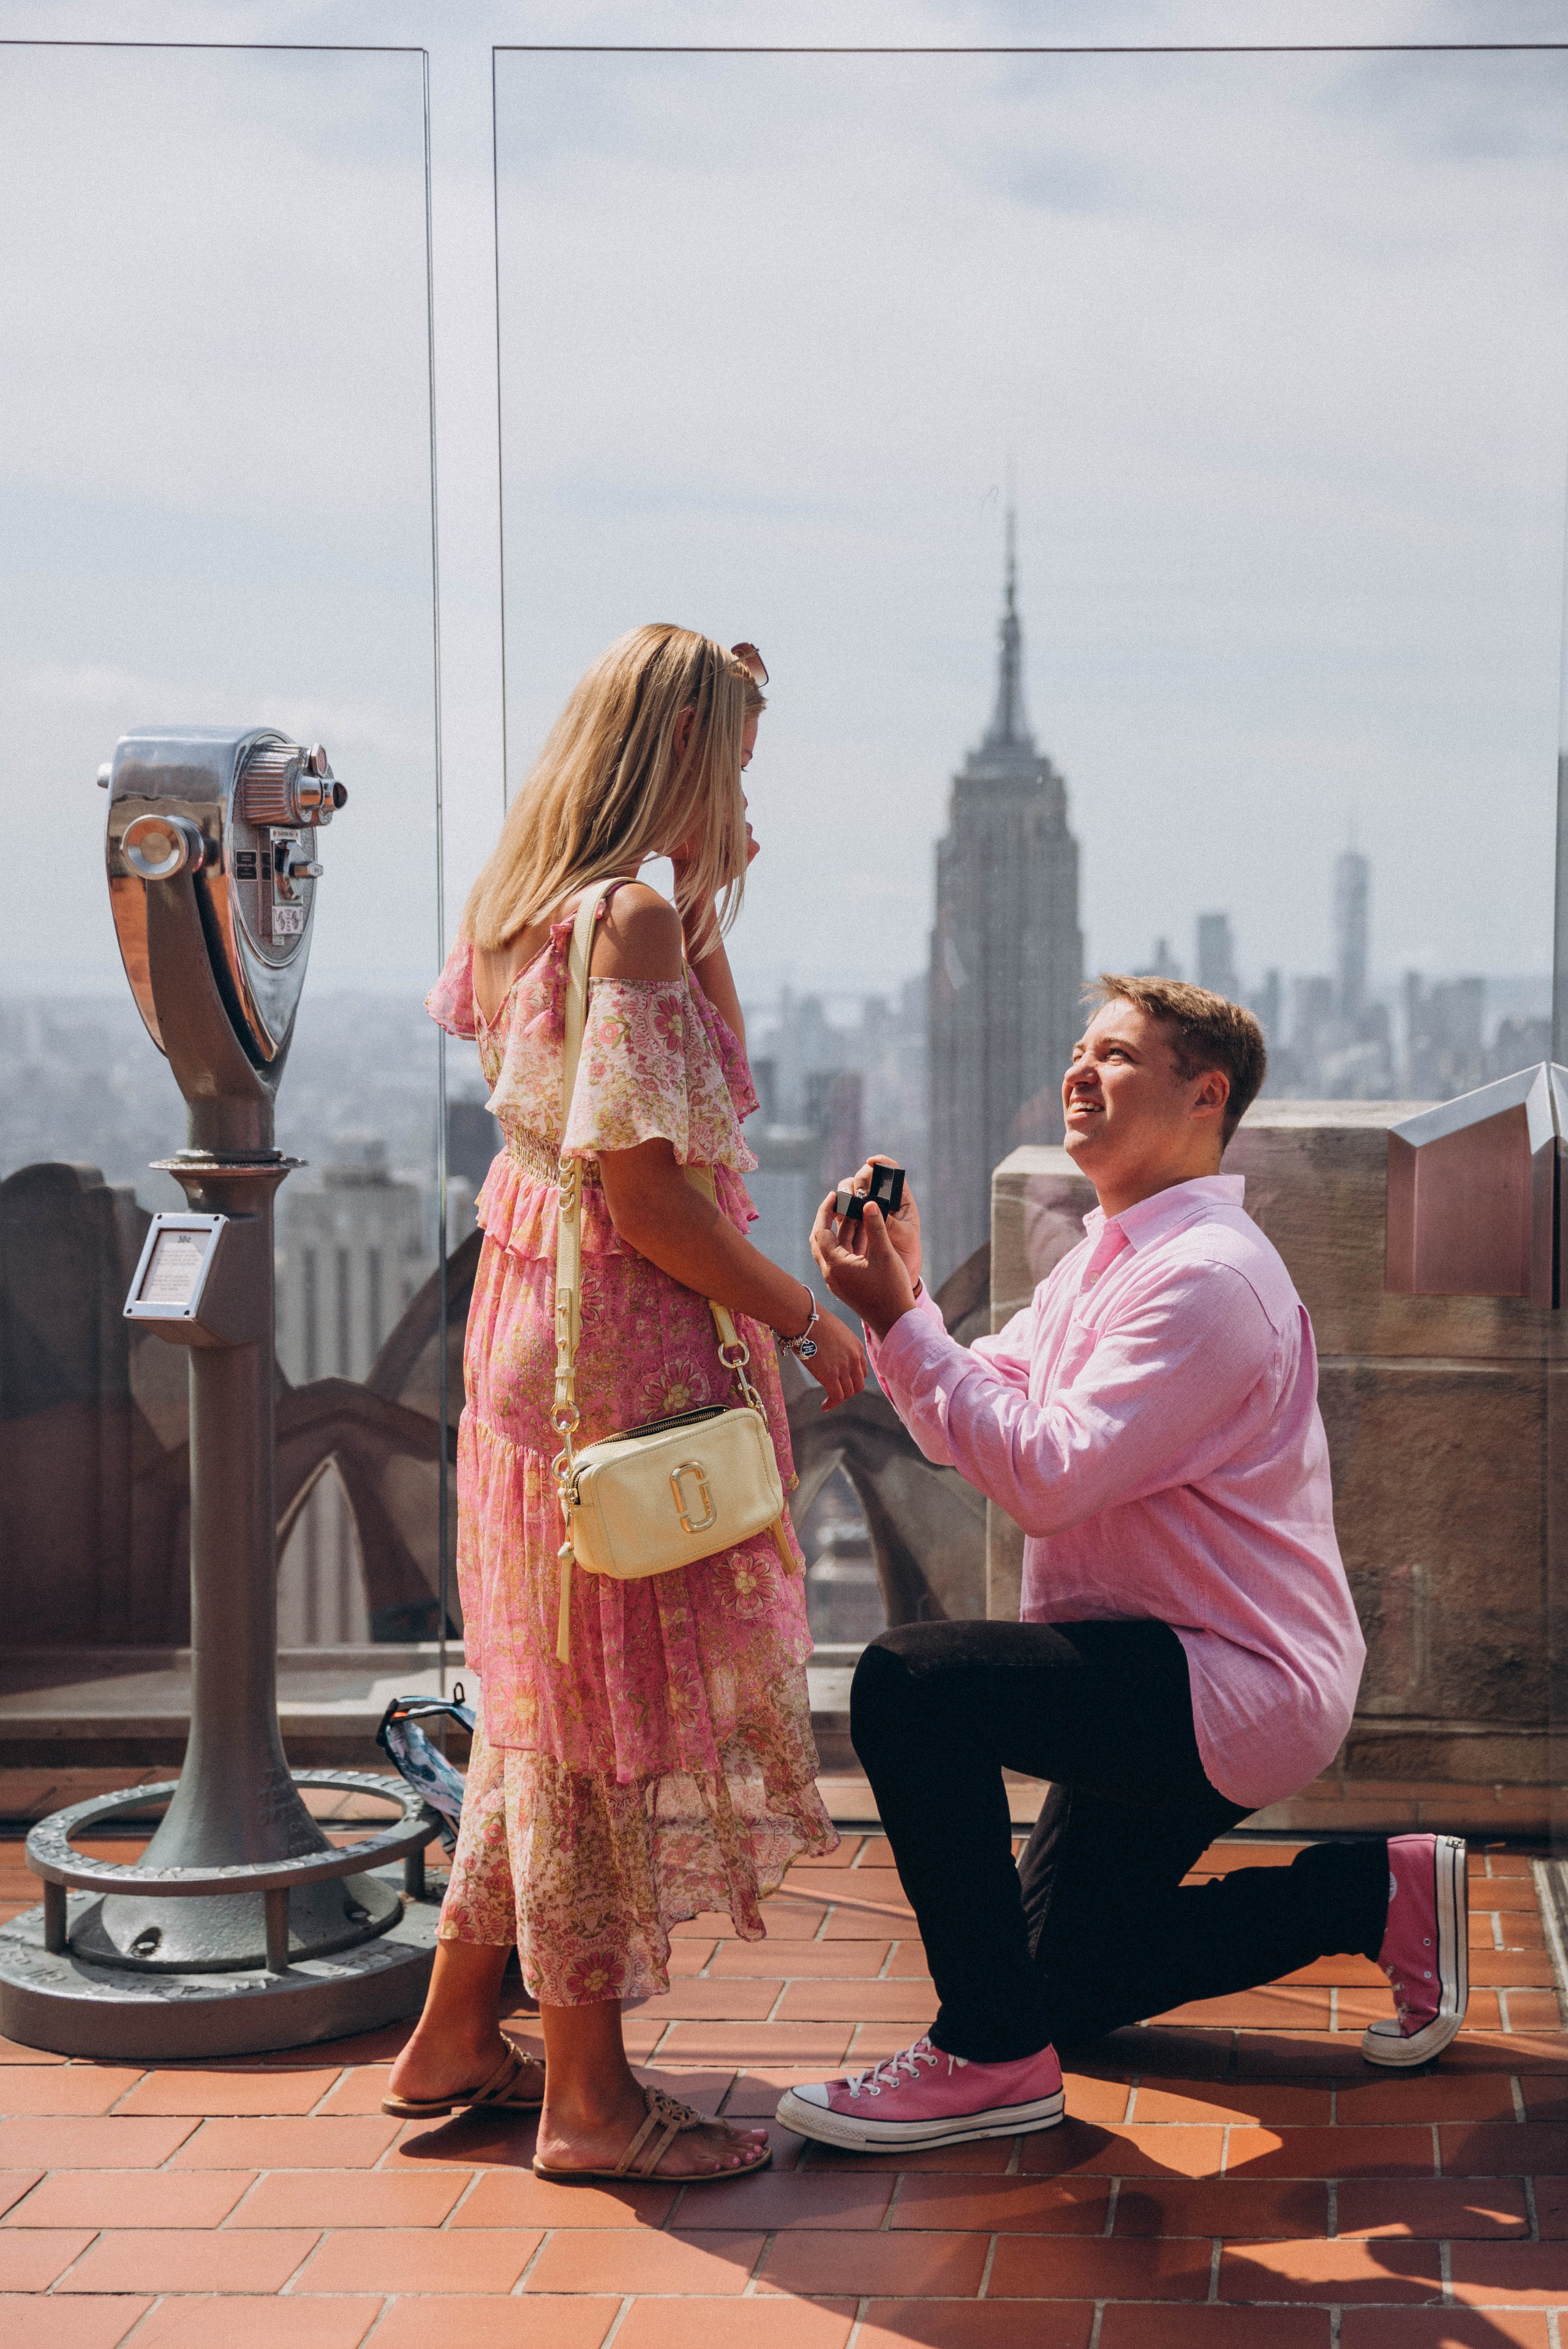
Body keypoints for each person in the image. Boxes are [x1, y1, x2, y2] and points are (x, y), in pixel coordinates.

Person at [777, 976, 1468, 2156]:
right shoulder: (1112, 1255)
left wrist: (902, 1325)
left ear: (1206, 1097)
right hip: (1142, 1654)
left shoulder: (1206, 1277)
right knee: (1061, 1985)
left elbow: (1044, 1471)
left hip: (1230, 1675)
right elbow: (980, 1404)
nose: (1077, 1075)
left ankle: (986, 2057)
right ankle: (1375, 1893)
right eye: (1078, 1049)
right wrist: (906, 1313)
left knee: (906, 1684)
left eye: (1117, 1057)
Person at [386, 624, 866, 2183]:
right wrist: (800, 1319)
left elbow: (573, 1092)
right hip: (620, 1347)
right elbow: (650, 1191)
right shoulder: (638, 925)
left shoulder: (529, 905)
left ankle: (455, 2032)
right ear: (676, 760)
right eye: (729, 758)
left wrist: (703, 876)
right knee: (588, 1714)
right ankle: (587, 2103)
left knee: (537, 1693)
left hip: (527, 1329)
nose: (745, 787)